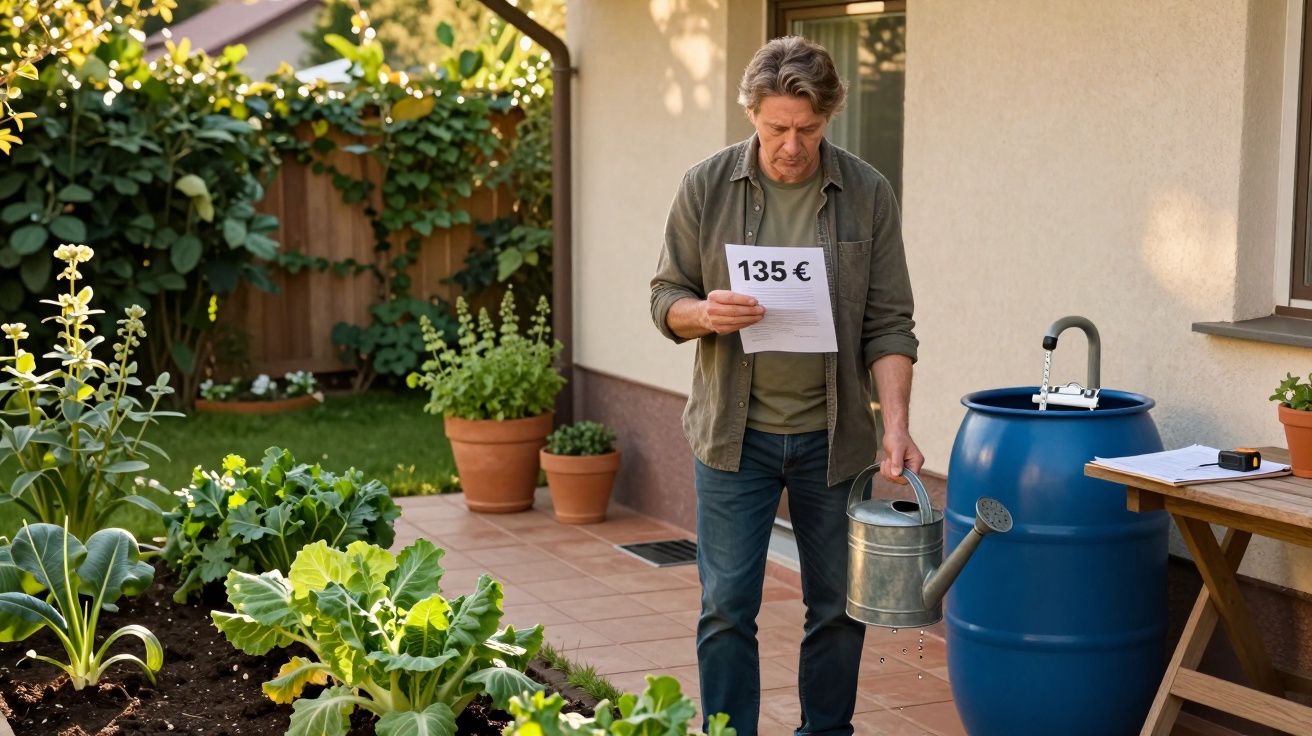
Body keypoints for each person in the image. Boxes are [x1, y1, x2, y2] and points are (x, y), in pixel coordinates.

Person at [648, 36, 922, 736]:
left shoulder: (868, 192)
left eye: (808, 129)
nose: (792, 146)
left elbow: (890, 323)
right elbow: (664, 298)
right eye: (776, 128)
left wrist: (895, 426)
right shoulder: (705, 186)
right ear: (752, 114)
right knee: (726, 607)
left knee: (837, 608)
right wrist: (704, 314)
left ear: (829, 117)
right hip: (732, 437)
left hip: (836, 442)